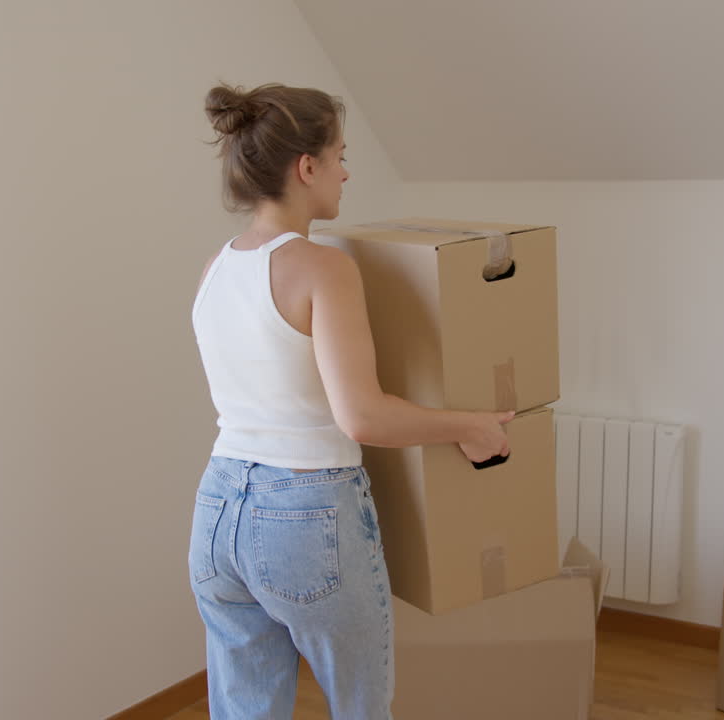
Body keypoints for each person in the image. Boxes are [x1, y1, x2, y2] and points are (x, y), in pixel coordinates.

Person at [189, 82, 515, 719]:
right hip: (303, 511)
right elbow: (362, 416)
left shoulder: (216, 267)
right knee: (362, 707)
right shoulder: (322, 268)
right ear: (305, 168)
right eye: (339, 156)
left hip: (218, 507)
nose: (346, 172)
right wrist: (469, 426)